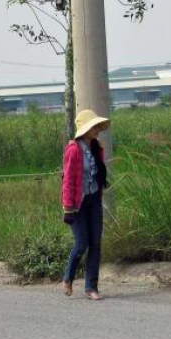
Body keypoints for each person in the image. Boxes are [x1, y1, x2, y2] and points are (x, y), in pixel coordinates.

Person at [61, 110, 111, 301]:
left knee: (96, 244)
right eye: (94, 126)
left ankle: (91, 287)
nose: (97, 129)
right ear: (85, 129)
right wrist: (68, 207)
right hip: (77, 203)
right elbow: (68, 180)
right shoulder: (74, 150)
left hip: (94, 201)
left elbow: (98, 174)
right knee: (82, 244)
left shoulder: (97, 148)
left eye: (98, 126)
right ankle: (68, 277)